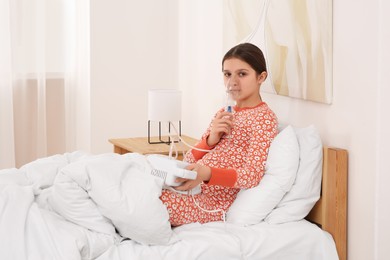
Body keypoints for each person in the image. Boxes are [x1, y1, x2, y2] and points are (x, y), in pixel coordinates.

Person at [160, 42, 278, 226]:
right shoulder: (224, 112)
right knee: (136, 180)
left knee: (150, 201)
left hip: (212, 203)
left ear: (261, 77)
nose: (232, 82)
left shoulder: (264, 119)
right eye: (227, 74)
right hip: (190, 189)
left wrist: (207, 173)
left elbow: (252, 175)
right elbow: (190, 159)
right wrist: (210, 140)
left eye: (242, 74)